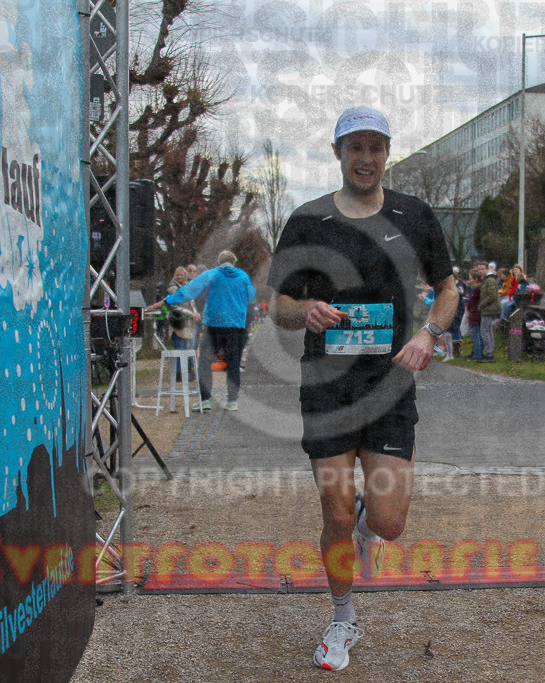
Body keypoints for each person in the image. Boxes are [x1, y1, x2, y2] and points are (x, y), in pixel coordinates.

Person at [268, 106, 457, 672]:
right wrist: (306, 311)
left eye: (375, 147)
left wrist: (428, 334)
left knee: (388, 525)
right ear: (338, 153)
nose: (366, 158)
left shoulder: (414, 214)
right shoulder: (307, 219)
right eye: (355, 147)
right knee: (334, 512)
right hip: (327, 390)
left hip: (390, 383)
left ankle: (362, 515)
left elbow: (448, 290)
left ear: (387, 153)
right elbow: (278, 307)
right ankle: (342, 617)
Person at [145, 250, 255, 411]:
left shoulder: (211, 274)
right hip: (235, 325)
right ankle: (232, 401)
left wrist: (166, 301)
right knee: (233, 363)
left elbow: (189, 290)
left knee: (205, 361)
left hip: (214, 324)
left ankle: (205, 400)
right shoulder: (243, 277)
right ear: (234, 262)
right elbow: (251, 296)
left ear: (219, 262)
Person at [166, 266, 201, 381]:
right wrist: (191, 314)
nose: (180, 277)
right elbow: (174, 306)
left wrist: (195, 313)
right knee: (180, 348)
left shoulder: (188, 287)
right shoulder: (173, 288)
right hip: (178, 321)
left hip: (189, 322)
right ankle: (179, 373)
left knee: (188, 347)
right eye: (178, 275)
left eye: (182, 275)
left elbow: (192, 303)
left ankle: (187, 371)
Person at [477, 262, 501, 362]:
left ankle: (489, 353)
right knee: (488, 329)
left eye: (482, 269)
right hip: (488, 308)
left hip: (489, 308)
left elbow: (491, 296)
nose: (480, 271)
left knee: (484, 330)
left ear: (487, 269)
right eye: (479, 269)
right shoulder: (486, 280)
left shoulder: (490, 280)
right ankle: (490, 350)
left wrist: (481, 305)